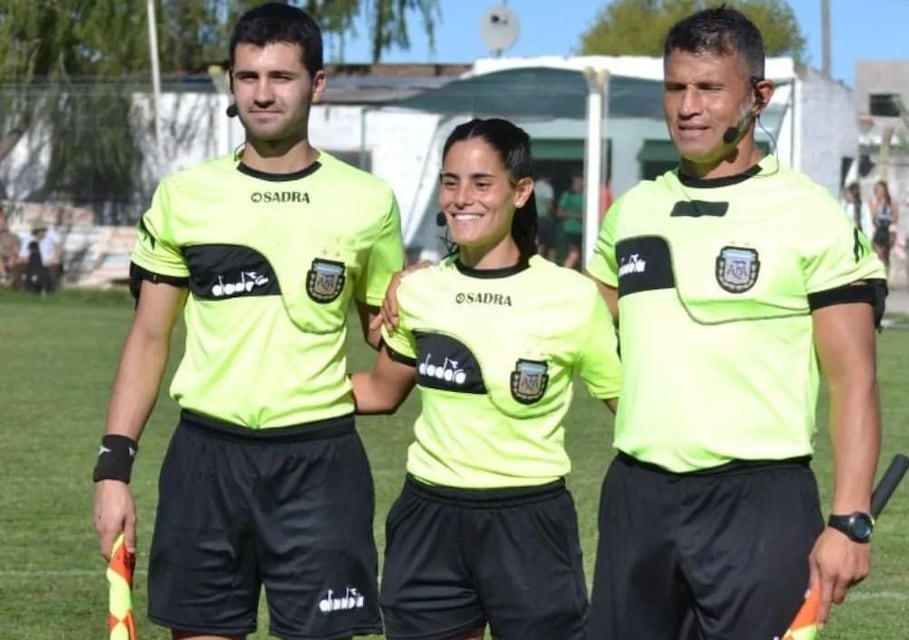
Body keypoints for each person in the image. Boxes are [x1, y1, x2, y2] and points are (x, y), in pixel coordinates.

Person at [90, 4, 404, 639]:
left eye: (282, 77)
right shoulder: (184, 197)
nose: (263, 93)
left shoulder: (369, 202)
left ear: (318, 83)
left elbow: (386, 331)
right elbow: (150, 338)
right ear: (231, 83)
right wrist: (113, 470)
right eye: (248, 76)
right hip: (206, 462)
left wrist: (429, 297)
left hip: (320, 464)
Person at [584, 7, 887, 639]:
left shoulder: (811, 216)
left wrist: (851, 519)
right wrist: (437, 277)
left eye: (709, 88)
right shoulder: (634, 212)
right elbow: (572, 324)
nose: (687, 106)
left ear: (758, 97)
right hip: (639, 498)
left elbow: (853, 379)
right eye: (675, 87)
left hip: (758, 503)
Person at [351, 118, 620, 640]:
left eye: (481, 183)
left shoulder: (572, 297)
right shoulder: (416, 291)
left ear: (521, 192)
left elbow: (628, 408)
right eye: (450, 182)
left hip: (531, 522)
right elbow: (381, 391)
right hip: (429, 517)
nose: (460, 198)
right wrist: (279, 388)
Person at [869, 179, 899, 272]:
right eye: (877, 189)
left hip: (887, 230)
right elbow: (871, 216)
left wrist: (888, 219)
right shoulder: (873, 201)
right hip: (877, 230)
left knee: (886, 255)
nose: (879, 192)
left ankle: (886, 274)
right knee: (878, 254)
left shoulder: (891, 202)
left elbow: (896, 217)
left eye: (881, 189)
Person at [556, 173, 584, 269]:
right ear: (575, 180)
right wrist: (578, 216)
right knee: (574, 253)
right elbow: (559, 213)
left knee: (581, 255)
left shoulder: (587, 194)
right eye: (581, 179)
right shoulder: (568, 195)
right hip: (571, 229)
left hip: (583, 230)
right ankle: (563, 273)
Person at [534, 174, 558, 261]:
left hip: (534, 219)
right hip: (545, 219)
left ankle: (535, 264)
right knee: (552, 245)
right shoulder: (547, 188)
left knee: (539, 243)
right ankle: (551, 265)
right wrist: (555, 214)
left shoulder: (533, 186)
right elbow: (549, 206)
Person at [0, 205, 20, 287]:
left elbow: (16, 252)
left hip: (8, 264)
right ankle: (5, 276)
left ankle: (5, 276)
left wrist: (12, 259)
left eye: (3, 219)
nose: (2, 221)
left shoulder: (13, 237)